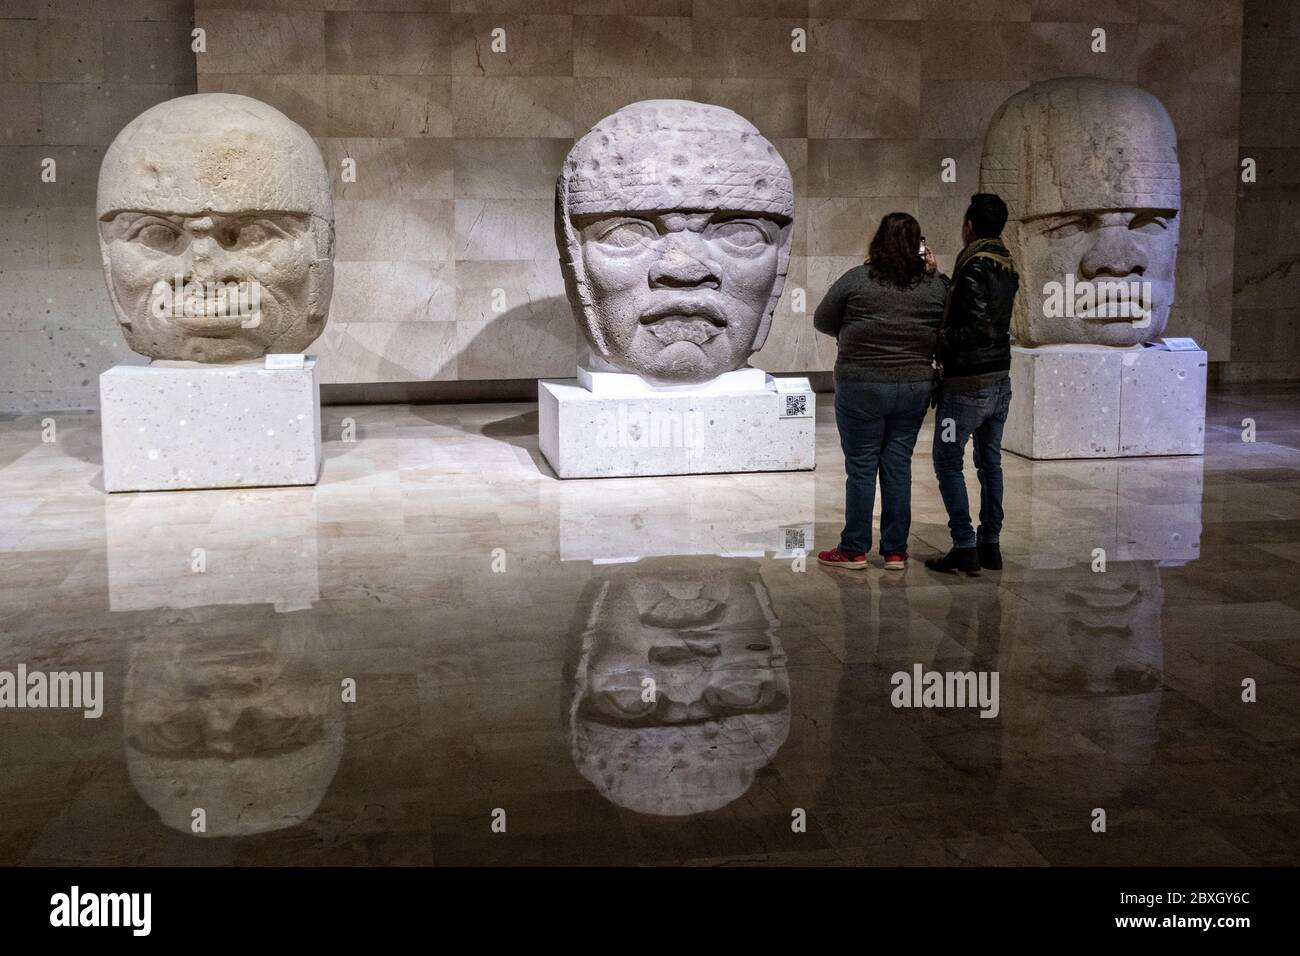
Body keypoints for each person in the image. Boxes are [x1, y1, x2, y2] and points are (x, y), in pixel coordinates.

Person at [813, 212, 947, 571]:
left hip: (862, 384)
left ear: (878, 241)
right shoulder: (935, 286)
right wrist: (934, 272)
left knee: (860, 467)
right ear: (920, 246)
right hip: (914, 386)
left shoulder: (857, 279)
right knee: (898, 465)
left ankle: (854, 549)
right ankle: (894, 551)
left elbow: (822, 320)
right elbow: (946, 320)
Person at [925, 193, 1019, 575]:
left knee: (948, 461)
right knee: (989, 463)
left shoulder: (975, 264)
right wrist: (940, 276)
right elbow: (974, 305)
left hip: (965, 386)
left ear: (969, 225)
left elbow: (975, 326)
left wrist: (941, 338)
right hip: (1000, 381)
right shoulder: (1005, 263)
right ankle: (990, 544)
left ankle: (964, 544)